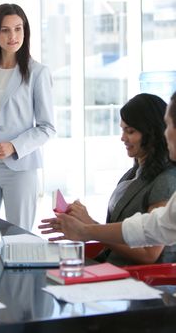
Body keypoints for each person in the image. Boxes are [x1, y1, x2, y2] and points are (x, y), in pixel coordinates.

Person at [40, 93, 176, 265]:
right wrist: (85, 227)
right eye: (122, 129)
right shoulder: (134, 173)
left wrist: (89, 228)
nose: (123, 137)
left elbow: (148, 253)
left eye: (130, 131)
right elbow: (141, 228)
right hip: (110, 264)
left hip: (135, 276)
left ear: (152, 133)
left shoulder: (165, 181)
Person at [0, 3, 55, 231]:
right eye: (5, 30)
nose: (13, 36)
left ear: (25, 31)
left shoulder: (37, 73)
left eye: (18, 28)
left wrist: (13, 146)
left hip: (20, 168)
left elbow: (47, 127)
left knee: (19, 236)